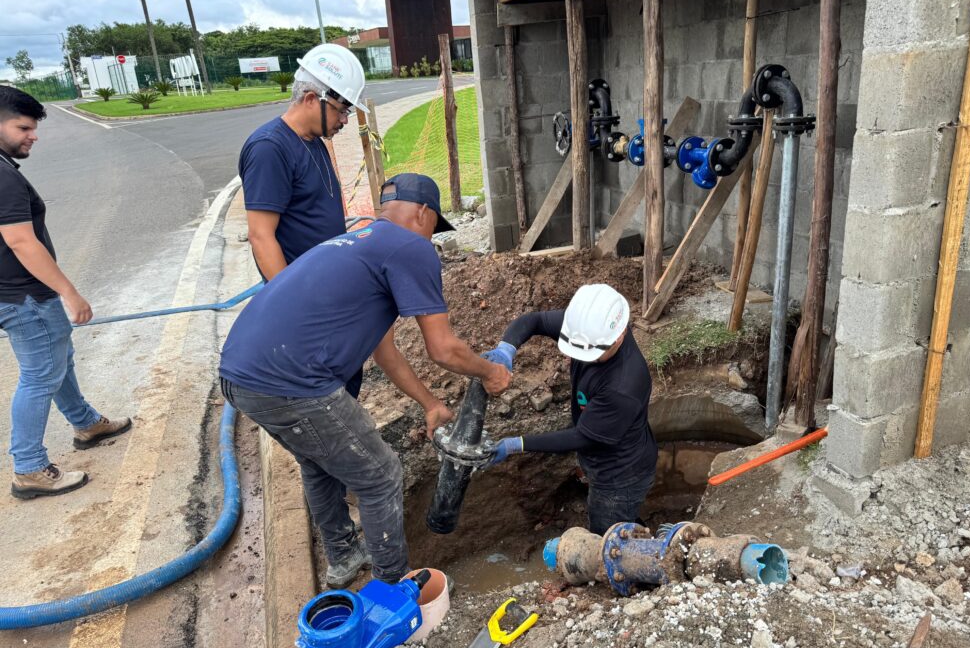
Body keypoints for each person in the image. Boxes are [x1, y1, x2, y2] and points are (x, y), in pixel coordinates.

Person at [219, 173, 510, 588]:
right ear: (424, 213)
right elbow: (443, 348)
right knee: (380, 475)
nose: (430, 238)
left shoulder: (360, 240)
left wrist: (430, 403)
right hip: (291, 382)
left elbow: (384, 350)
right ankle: (393, 590)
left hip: (240, 373)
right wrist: (491, 371)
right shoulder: (411, 247)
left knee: (320, 462)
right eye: (432, 228)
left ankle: (342, 558)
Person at [0, 86, 131, 499]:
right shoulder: (3, 177)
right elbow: (22, 242)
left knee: (58, 360)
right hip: (24, 297)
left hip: (18, 294)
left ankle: (86, 423)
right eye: (23, 127)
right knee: (41, 375)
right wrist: (70, 293)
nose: (32, 135)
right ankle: (30, 468)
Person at [481, 284, 657, 535]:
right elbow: (536, 320)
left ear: (618, 336)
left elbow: (581, 437)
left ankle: (639, 556)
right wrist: (506, 349)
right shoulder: (588, 330)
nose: (584, 359)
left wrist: (516, 444)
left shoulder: (623, 385)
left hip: (620, 476)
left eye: (593, 355)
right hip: (603, 454)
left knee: (605, 537)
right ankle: (633, 527)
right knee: (619, 520)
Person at [239, 43, 367, 281]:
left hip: (324, 282)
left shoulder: (313, 139)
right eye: (340, 111)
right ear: (310, 99)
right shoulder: (269, 149)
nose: (344, 120)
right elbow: (260, 235)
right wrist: (289, 299)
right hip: (302, 292)